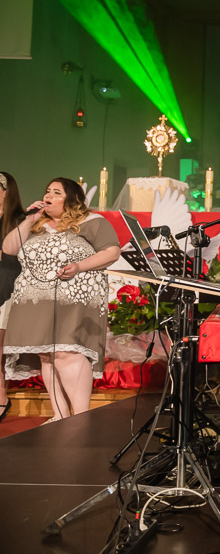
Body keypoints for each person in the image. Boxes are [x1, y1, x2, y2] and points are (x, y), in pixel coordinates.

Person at [2, 178, 120, 421]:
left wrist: (79, 266)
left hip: (74, 297)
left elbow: (111, 252)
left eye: (57, 192)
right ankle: (60, 416)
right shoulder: (36, 224)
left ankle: (81, 418)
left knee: (67, 351)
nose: (48, 196)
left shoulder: (91, 221)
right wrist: (30, 220)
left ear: (71, 199)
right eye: (47, 191)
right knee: (47, 354)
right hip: (34, 299)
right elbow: (9, 248)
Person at [0, 171, 26, 423]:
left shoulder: (20, 220)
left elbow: (18, 256)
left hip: (6, 286)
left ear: (7, 192)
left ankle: (1, 397)